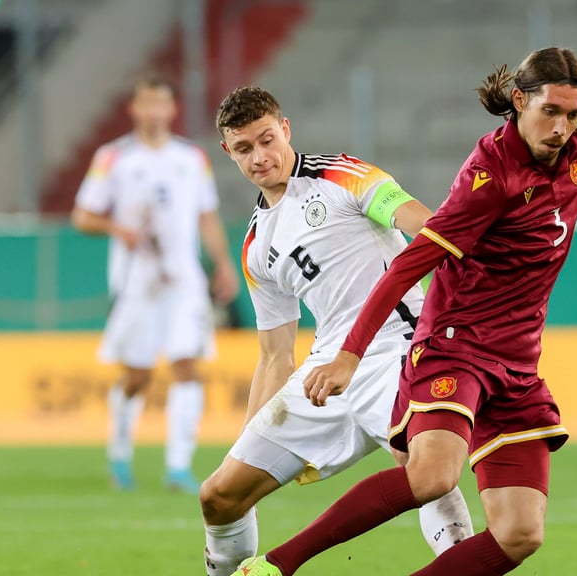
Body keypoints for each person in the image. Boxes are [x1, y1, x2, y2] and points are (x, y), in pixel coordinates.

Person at [232, 47, 577, 576]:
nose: (562, 127)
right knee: (431, 477)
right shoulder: (488, 178)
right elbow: (404, 268)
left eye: (573, 114)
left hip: (516, 366)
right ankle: (277, 565)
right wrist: (349, 356)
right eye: (550, 112)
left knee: (520, 534)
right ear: (519, 101)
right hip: (453, 346)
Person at [199, 86, 474, 575]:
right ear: (228, 152)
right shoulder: (256, 247)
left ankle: (464, 566)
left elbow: (424, 226)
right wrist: (249, 441)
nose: (260, 158)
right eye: (244, 149)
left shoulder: (342, 174)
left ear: (285, 129)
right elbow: (274, 355)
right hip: (326, 373)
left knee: (418, 463)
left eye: (266, 140)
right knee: (220, 496)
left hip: (399, 349)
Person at [72, 73, 240, 494]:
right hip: (136, 279)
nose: (153, 112)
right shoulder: (113, 157)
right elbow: (83, 216)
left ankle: (179, 467)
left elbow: (206, 214)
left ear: (172, 109)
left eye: (160, 104)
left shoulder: (191, 158)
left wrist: (222, 263)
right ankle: (120, 454)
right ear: (134, 109)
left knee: (188, 365)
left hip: (183, 277)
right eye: (145, 103)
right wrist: (119, 228)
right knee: (138, 375)